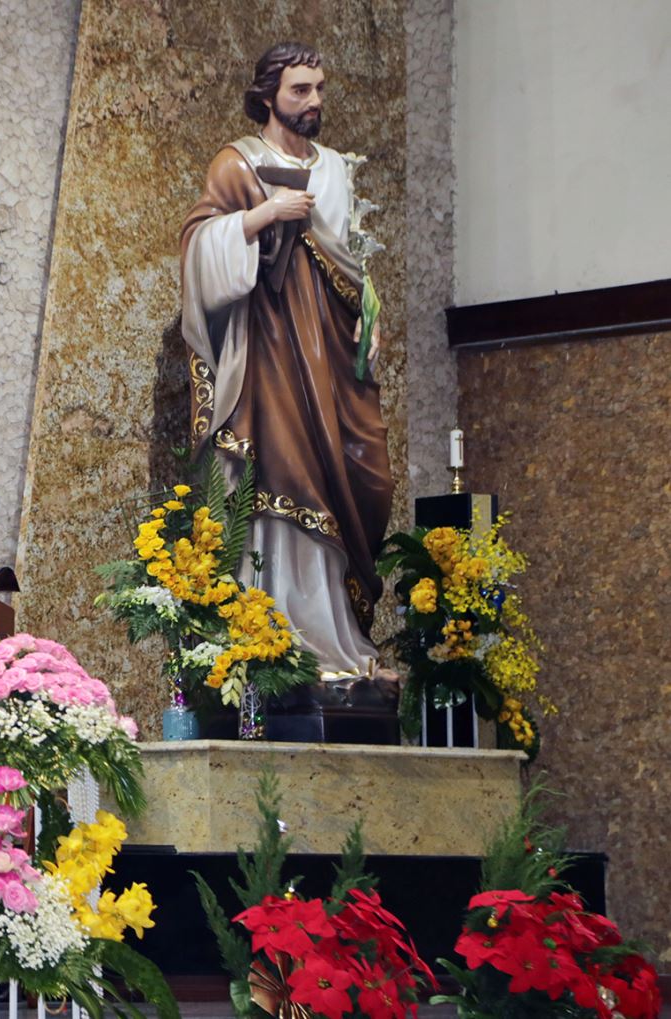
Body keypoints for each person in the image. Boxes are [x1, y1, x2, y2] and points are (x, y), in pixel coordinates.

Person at [178, 42, 394, 679]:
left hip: (331, 351)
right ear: (268, 95)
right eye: (300, 90)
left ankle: (337, 633)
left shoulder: (335, 169)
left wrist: (370, 315)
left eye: (319, 88)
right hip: (269, 349)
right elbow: (197, 247)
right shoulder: (239, 162)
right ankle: (275, 637)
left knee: (361, 474)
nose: (313, 101)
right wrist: (264, 214)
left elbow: (353, 261)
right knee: (280, 468)